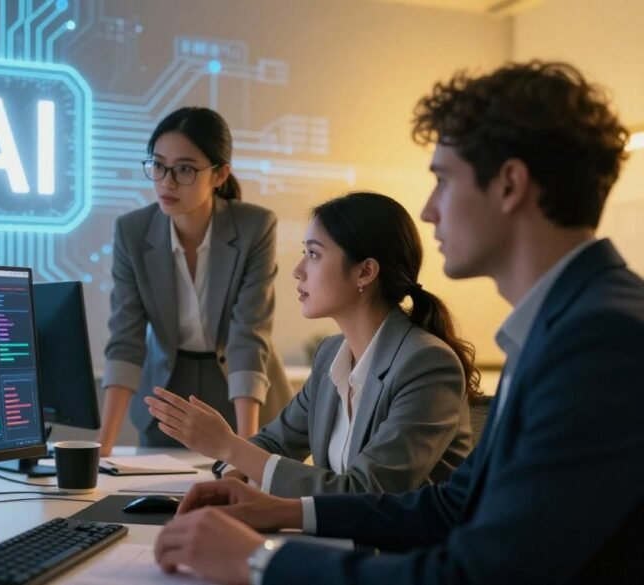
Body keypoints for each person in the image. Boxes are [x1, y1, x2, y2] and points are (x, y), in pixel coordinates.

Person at [153, 61, 644, 585]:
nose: (429, 210)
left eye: (442, 180)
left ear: (510, 185)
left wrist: (257, 561)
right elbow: (451, 508)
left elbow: (484, 573)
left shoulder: (601, 338)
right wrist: (280, 512)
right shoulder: (561, 323)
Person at [146, 192, 477, 497]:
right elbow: (274, 442)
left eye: (314, 254)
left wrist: (229, 447)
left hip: (405, 555)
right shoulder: (331, 355)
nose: (298, 270)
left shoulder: (427, 364)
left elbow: (366, 492)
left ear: (366, 272)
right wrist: (235, 480)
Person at [97, 107, 292, 455]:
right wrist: (103, 446)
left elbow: (248, 335)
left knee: (242, 499)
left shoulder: (254, 227)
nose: (167, 182)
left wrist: (246, 449)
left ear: (219, 175)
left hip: (245, 395)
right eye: (158, 165)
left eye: (184, 169)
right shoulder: (132, 232)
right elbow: (126, 338)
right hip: (169, 393)